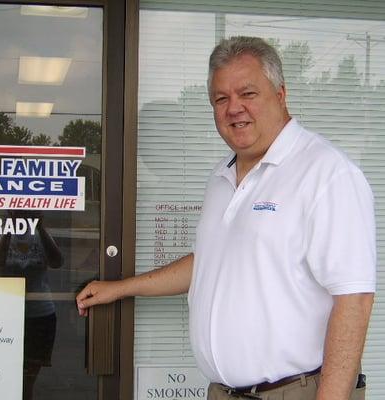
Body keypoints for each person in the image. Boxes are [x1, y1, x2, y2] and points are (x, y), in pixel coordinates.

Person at [76, 36, 376, 400]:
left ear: (281, 95)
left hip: (297, 392)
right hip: (224, 392)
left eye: (247, 94)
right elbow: (209, 263)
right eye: (221, 98)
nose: (234, 108)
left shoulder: (326, 173)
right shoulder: (222, 177)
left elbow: (354, 299)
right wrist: (122, 287)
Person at [0, 210, 63, 400]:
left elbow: (57, 262)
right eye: (17, 212)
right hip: (5, 313)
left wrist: (40, 228)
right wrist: (9, 230)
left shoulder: (40, 235)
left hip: (39, 313)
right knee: (3, 372)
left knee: (28, 378)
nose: (23, 215)